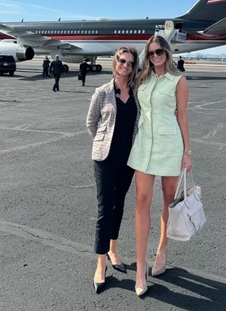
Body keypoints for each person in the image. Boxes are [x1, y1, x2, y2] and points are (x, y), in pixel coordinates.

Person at [127, 35, 191, 297]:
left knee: (167, 199)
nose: (155, 56)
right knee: (142, 201)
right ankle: (141, 267)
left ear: (167, 52)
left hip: (169, 145)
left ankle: (162, 248)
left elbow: (183, 116)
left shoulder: (179, 80)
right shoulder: (143, 78)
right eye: (150, 53)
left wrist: (188, 152)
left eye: (159, 51)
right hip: (144, 145)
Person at [85, 46, 140, 294]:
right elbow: (91, 122)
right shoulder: (102, 92)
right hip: (105, 160)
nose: (125, 65)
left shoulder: (137, 92)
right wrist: (103, 142)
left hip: (128, 160)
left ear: (134, 66)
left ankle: (113, 250)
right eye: (122, 60)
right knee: (105, 207)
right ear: (115, 62)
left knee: (119, 205)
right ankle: (100, 264)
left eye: (130, 62)